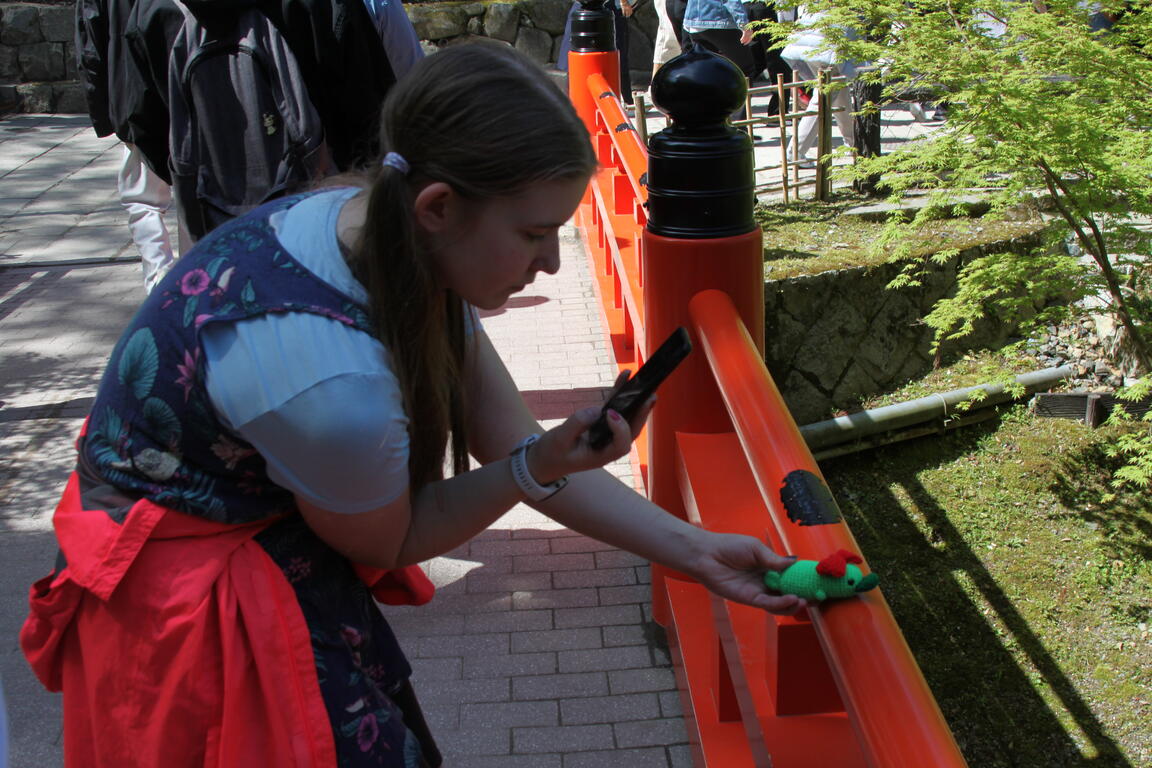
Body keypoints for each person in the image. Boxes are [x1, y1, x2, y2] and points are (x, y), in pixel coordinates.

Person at [20, 42, 804, 767]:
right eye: (535, 233)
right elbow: (398, 536)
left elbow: (508, 438)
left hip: (258, 542)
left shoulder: (365, 225)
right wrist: (534, 468)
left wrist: (697, 551)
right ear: (438, 206)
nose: (550, 263)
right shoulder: (333, 388)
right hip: (190, 620)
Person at [75, 0, 183, 293]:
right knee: (193, 191)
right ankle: (194, 279)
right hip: (188, 82)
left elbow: (91, 44)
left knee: (144, 199)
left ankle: (159, 280)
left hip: (134, 92)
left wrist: (106, 114)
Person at [779, 5, 857, 166]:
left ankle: (853, 142)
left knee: (838, 91)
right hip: (828, 42)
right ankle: (795, 151)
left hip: (810, 38)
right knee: (824, 94)